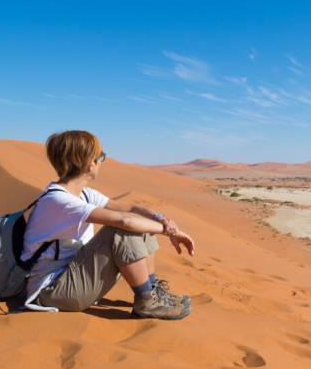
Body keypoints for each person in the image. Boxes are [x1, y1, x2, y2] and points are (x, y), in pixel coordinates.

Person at [21, 130, 195, 319]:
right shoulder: (58, 200)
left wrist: (161, 220)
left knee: (142, 224)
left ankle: (152, 292)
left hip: (72, 277)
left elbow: (129, 208)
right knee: (122, 229)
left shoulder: (84, 193)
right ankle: (146, 300)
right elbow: (124, 221)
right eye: (100, 157)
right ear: (90, 164)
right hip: (52, 291)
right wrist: (168, 232)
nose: (102, 162)